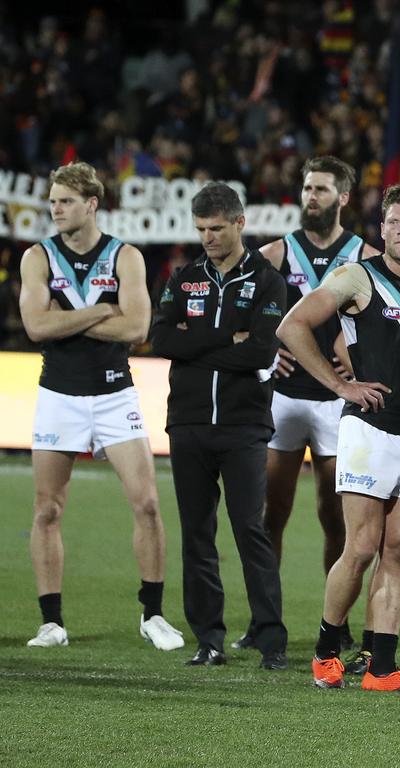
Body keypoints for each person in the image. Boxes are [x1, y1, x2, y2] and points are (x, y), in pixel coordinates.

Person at [277, 183, 400, 693]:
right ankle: (324, 654)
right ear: (380, 228)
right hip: (370, 430)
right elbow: (293, 326)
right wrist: (341, 384)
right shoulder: (356, 278)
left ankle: (381, 668)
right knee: (361, 547)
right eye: (392, 223)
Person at [19, 161, 183, 652]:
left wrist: (64, 318)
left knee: (149, 504)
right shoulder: (37, 257)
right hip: (58, 397)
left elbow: (136, 329)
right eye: (52, 202)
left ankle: (152, 615)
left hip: (115, 396)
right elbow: (34, 328)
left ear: (92, 205)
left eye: (65, 202)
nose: (55, 210)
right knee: (48, 510)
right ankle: (52, 622)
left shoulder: (125, 256)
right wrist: (98, 312)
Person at [229, 156, 379, 652]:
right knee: (272, 512)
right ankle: (264, 619)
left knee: (336, 517)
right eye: (307, 187)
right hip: (287, 400)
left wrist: (358, 364)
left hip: (340, 403)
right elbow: (238, 310)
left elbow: (383, 327)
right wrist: (268, 352)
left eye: (320, 189)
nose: (310, 196)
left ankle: (337, 622)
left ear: (343, 197)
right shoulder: (275, 253)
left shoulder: (366, 257)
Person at [151, 182, 288, 669]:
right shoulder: (184, 278)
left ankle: (271, 640)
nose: (207, 237)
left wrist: (201, 343)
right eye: (201, 229)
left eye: (215, 228)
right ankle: (208, 639)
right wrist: (228, 336)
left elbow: (262, 350)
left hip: (244, 424)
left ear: (239, 224)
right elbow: (162, 338)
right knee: (196, 533)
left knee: (251, 529)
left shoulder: (269, 280)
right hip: (187, 423)